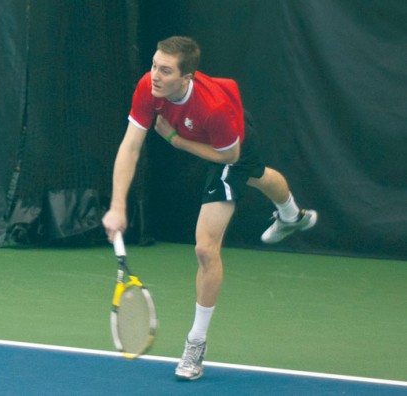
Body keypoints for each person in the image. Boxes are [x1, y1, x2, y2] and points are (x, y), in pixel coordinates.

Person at [102, 36, 317, 380]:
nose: (155, 75)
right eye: (154, 65)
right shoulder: (149, 86)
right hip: (210, 138)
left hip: (231, 144)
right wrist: (116, 207)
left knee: (205, 247)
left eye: (165, 70)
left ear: (186, 77)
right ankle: (291, 214)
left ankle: (196, 344)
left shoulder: (213, 108)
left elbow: (229, 157)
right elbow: (129, 147)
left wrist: (175, 139)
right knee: (258, 176)